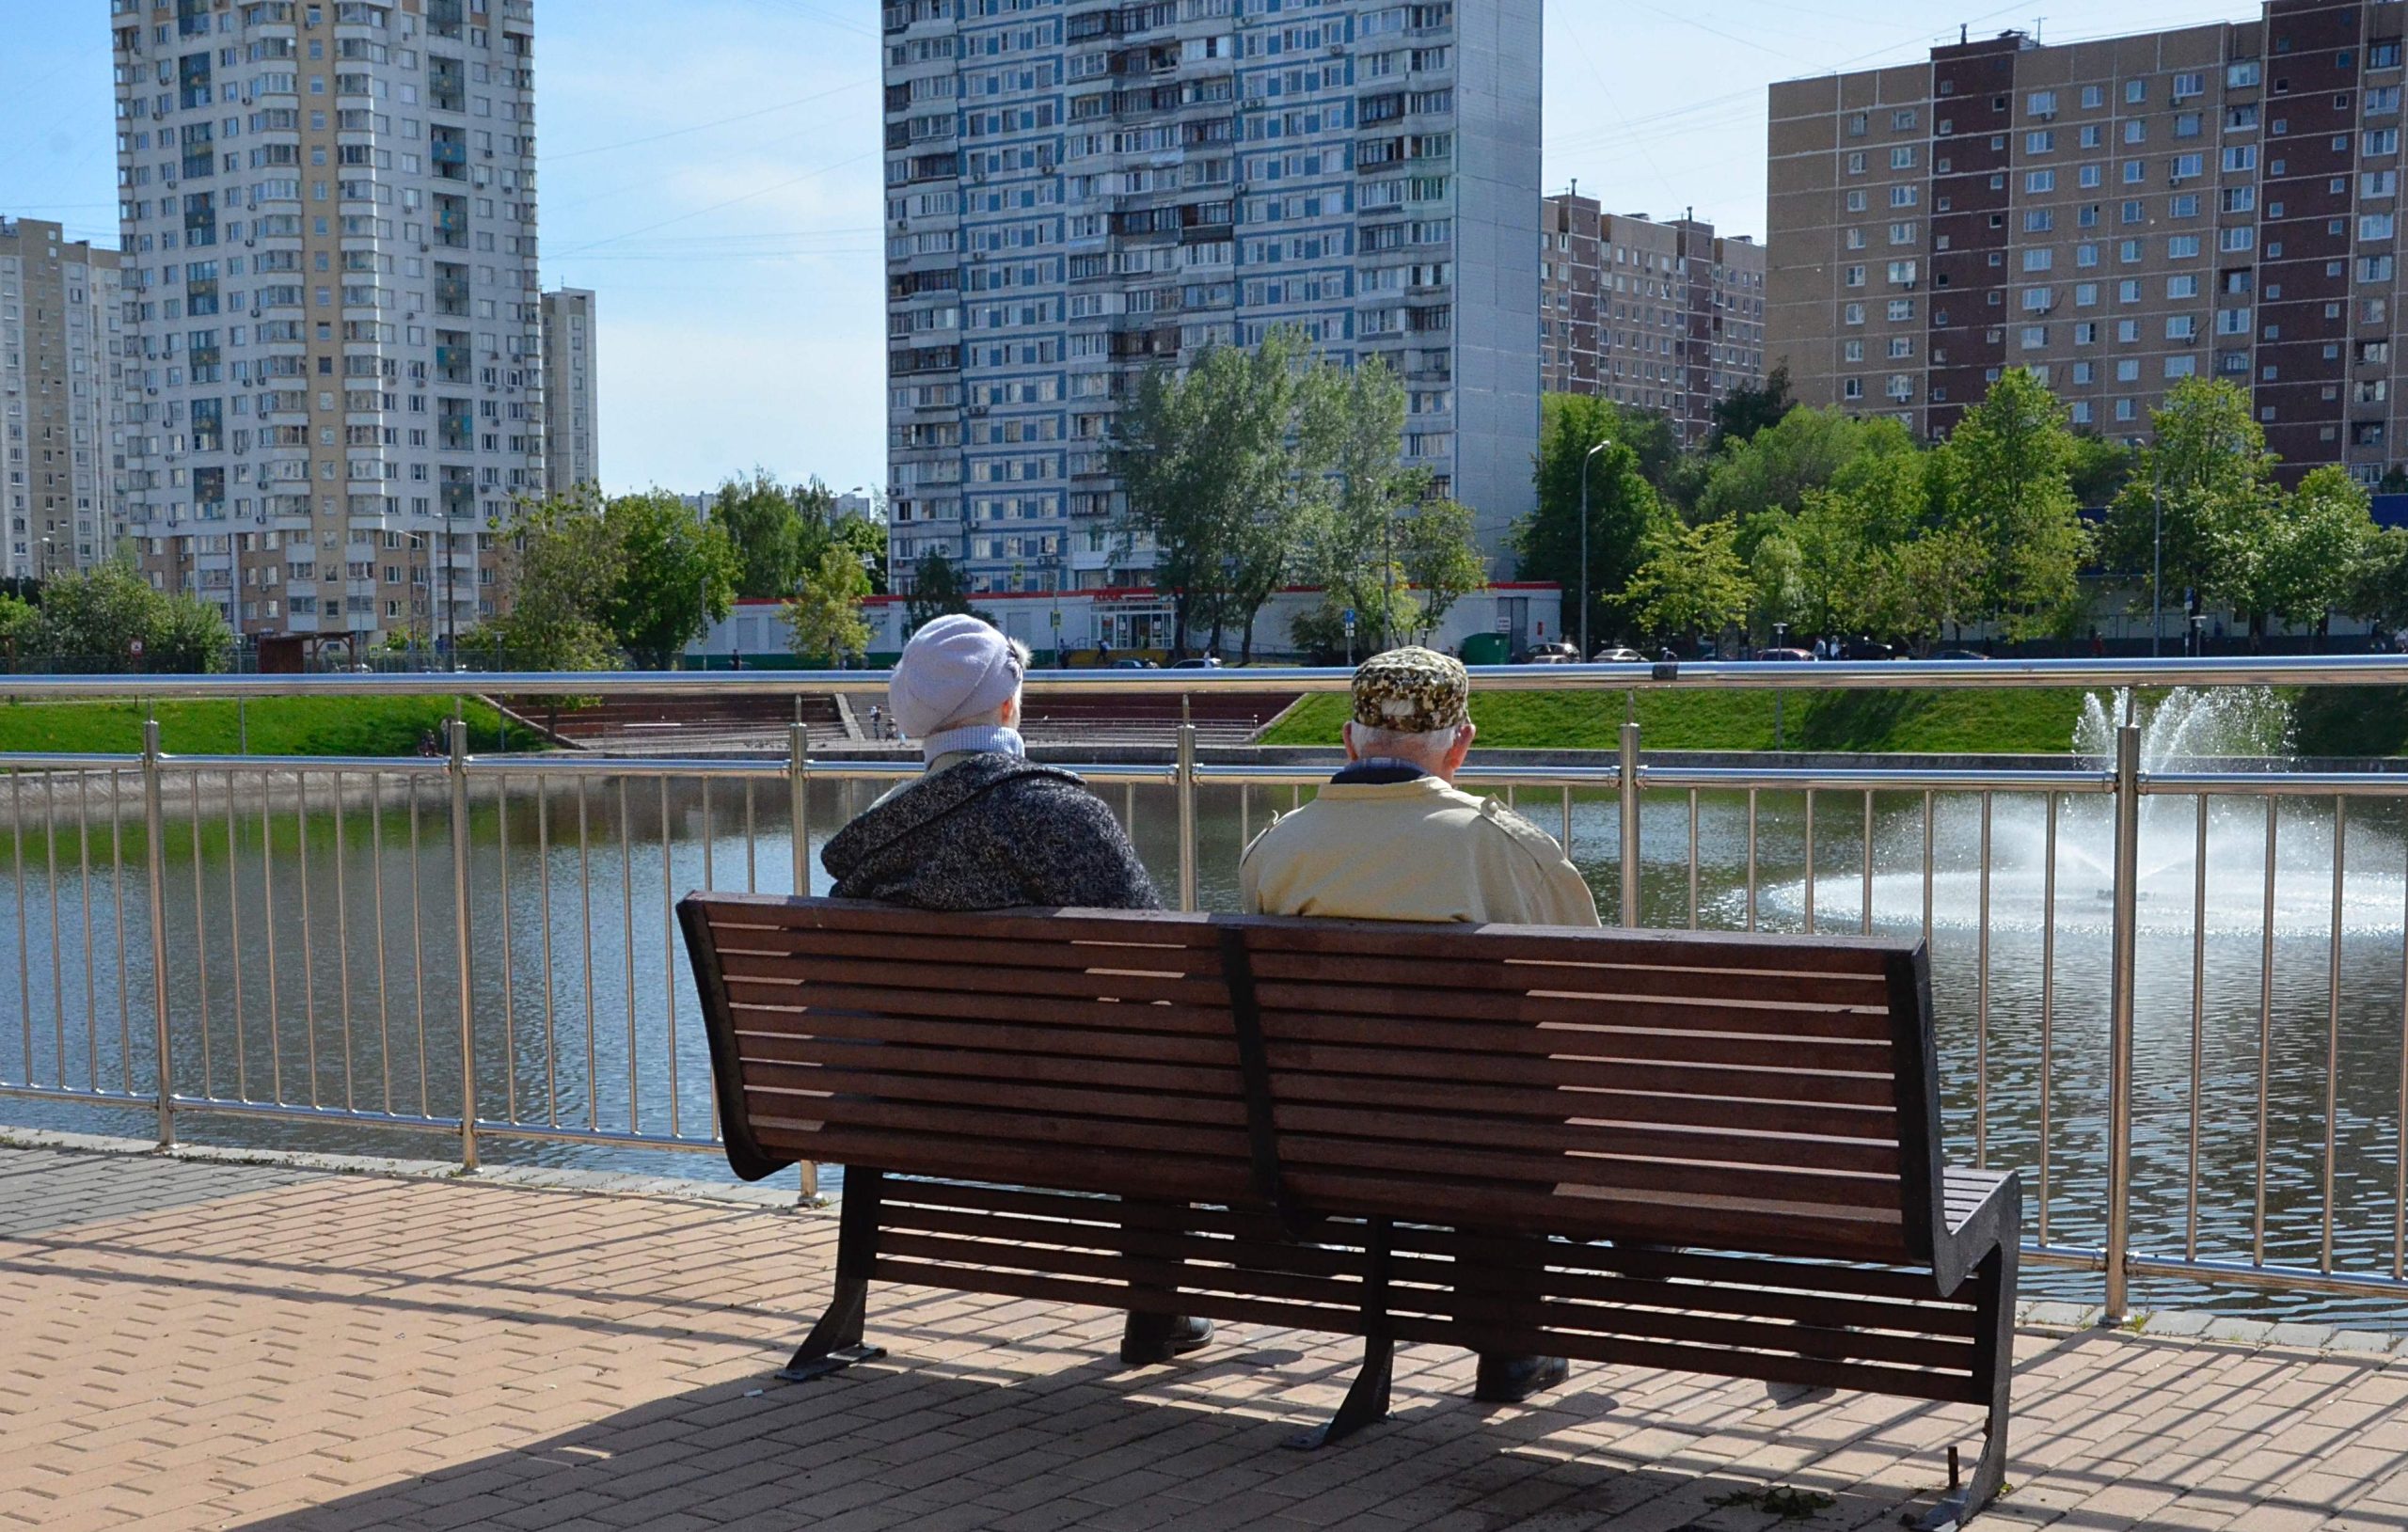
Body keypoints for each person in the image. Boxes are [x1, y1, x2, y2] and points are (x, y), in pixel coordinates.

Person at [818, 614, 1206, 1365]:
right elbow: (1160, 961)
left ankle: (849, 1308)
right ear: (1007, 705)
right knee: (1163, 1063)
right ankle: (1155, 1309)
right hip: (1069, 1110)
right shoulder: (1058, 813)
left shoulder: (874, 837)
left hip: (903, 1105)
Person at [1240, 647, 1598, 1402]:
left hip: (1321, 1145)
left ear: (1348, 741)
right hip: (1473, 1155)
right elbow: (1583, 996)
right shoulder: (1504, 849)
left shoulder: (1277, 852)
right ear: (1461, 745)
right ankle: (1508, 1342)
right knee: (1502, 1089)